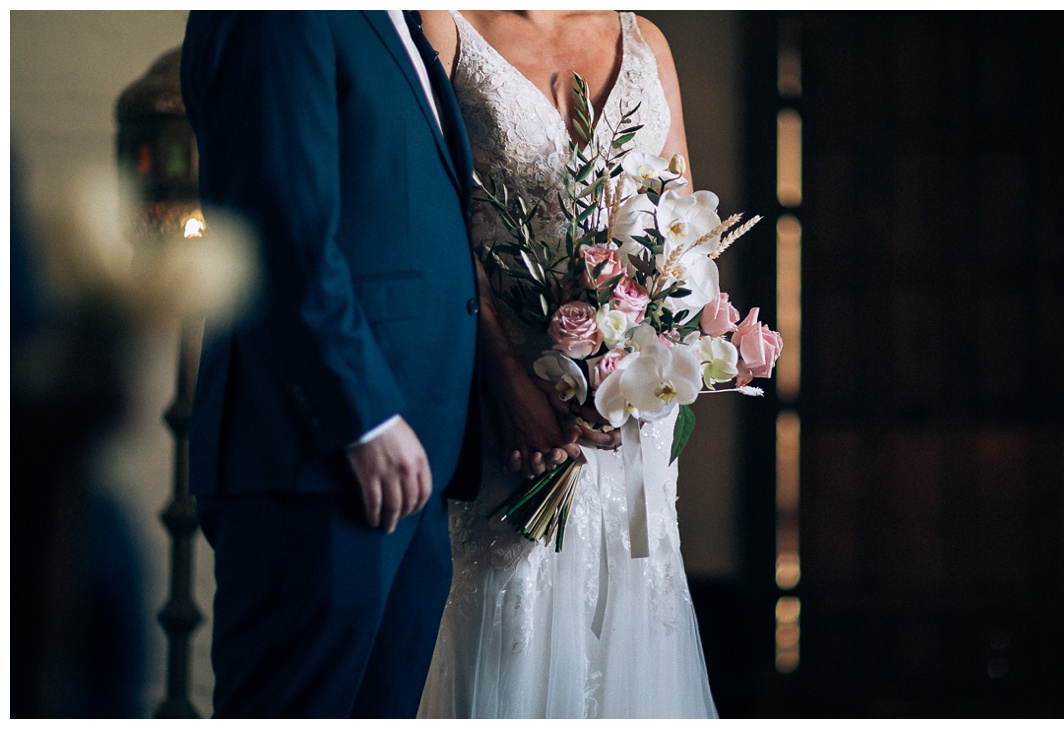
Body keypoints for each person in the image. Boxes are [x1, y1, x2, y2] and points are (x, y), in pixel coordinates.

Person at [416, 10, 718, 718]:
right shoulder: (445, 24)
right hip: (512, 420)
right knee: (510, 631)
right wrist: (504, 374)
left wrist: (661, 345)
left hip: (628, 424)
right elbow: (435, 215)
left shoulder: (646, 41)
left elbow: (686, 233)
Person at [180, 11, 481, 718]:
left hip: (415, 462)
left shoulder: (398, 20)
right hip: (321, 455)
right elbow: (275, 222)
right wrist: (363, 415)